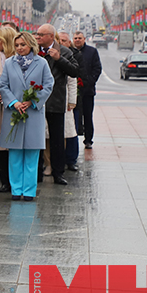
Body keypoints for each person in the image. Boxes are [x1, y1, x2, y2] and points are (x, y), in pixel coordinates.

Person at [0, 32, 54, 200]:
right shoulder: (9, 63)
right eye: (17, 45)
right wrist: (14, 102)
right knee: (15, 154)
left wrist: (33, 102)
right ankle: (16, 190)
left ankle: (29, 191)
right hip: (14, 112)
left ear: (31, 45)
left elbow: (48, 85)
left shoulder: (42, 63)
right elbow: (3, 84)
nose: (19, 48)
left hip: (33, 113)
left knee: (31, 153)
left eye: (23, 45)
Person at [34, 24, 79, 186]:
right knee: (36, 138)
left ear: (51, 36)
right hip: (36, 101)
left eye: (41, 34)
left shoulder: (64, 51)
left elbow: (74, 71)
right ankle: (38, 171)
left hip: (56, 101)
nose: (37, 37)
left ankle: (58, 173)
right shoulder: (34, 50)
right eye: (37, 34)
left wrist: (59, 59)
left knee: (57, 139)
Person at [0, 25, 18, 193]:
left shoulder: (19, 58)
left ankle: (15, 180)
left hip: (15, 106)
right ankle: (5, 180)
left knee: (15, 144)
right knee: (1, 144)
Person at [72, 30, 102, 151]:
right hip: (74, 91)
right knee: (74, 116)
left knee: (88, 116)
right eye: (75, 38)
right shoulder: (70, 52)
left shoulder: (92, 51)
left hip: (88, 91)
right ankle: (73, 138)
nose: (77, 40)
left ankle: (88, 139)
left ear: (84, 39)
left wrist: (89, 81)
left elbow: (97, 68)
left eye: (80, 38)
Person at [58, 32, 79, 172]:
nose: (61, 43)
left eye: (64, 40)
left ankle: (71, 159)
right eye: (58, 40)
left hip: (67, 101)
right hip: (55, 99)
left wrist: (72, 101)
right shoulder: (52, 55)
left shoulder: (71, 56)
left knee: (70, 131)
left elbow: (73, 80)